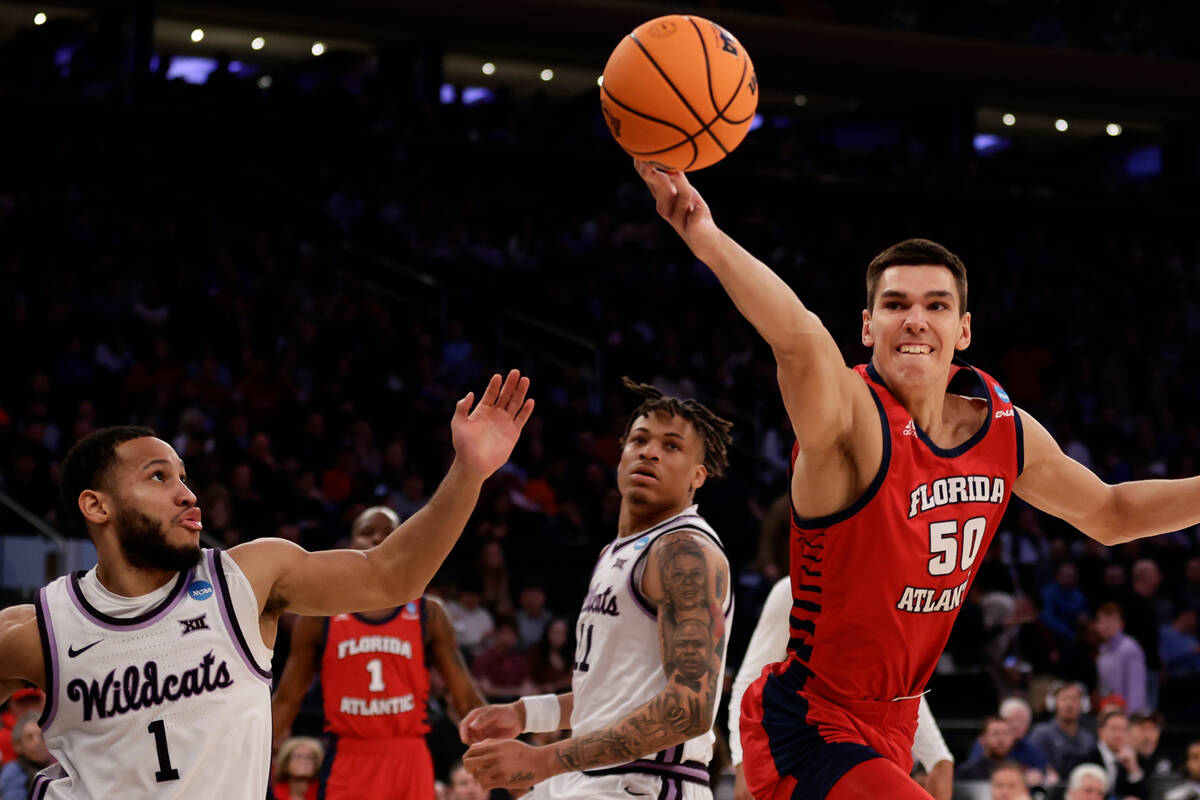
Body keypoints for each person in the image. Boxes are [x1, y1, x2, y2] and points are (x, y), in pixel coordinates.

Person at [634, 162, 1200, 800]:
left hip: (896, 723)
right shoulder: (850, 419)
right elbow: (798, 338)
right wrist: (706, 236)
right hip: (807, 722)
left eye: (937, 305)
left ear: (963, 329)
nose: (916, 319)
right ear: (868, 325)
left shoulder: (1003, 429)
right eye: (896, 304)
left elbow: (1112, 515)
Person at [0, 370, 533, 799]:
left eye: (184, 476)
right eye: (159, 477)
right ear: (97, 506)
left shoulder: (247, 580)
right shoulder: (36, 629)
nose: (187, 494)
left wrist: (469, 471)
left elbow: (393, 575)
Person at [458, 378, 735, 799]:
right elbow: (613, 692)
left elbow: (689, 710)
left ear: (699, 476)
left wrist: (542, 759)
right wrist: (526, 713)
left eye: (672, 446)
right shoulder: (616, 551)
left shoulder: (684, 552)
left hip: (646, 781)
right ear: (621, 455)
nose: (650, 451)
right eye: (639, 439)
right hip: (591, 774)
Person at [271, 505, 487, 799]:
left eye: (389, 533)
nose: (377, 539)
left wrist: (501, 753)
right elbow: (286, 700)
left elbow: (464, 698)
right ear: (351, 544)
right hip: (348, 756)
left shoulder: (430, 612)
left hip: (409, 756)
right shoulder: (319, 615)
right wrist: (248, 758)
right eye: (367, 532)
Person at [727, 576, 955, 800]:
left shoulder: (890, 587)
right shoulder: (796, 588)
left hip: (878, 740)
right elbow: (749, 679)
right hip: (819, 741)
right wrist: (741, 760)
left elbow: (896, 684)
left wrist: (938, 758)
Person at [1068, 709, 1147, 800]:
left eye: (1124, 730)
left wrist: (1133, 770)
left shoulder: (1133, 760)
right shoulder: (1083, 758)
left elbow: (1143, 797)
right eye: (1114, 729)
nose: (1119, 735)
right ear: (1101, 732)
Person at [965, 697, 1048, 784]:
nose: (1017, 725)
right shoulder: (970, 768)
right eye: (1012, 720)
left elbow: (1043, 772)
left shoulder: (1030, 748)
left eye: (1023, 721)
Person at [1029, 682, 1097, 783]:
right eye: (1064, 699)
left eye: (1074, 699)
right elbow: (1033, 762)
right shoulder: (1041, 734)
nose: (1069, 704)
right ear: (1053, 703)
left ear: (1083, 704)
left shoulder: (1089, 739)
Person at [1095, 603, 1149, 715]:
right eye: (1102, 621)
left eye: (1111, 621)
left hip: (1126, 716)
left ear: (1121, 624)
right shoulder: (1102, 651)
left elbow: (1136, 688)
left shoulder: (1130, 648)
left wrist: (1133, 718)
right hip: (1108, 714)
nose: (1106, 626)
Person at [0, 712, 53, 800]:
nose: (37, 742)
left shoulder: (55, 768)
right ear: (18, 745)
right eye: (29, 737)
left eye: (42, 736)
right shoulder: (13, 771)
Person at [956, 717, 1016, 781]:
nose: (1001, 739)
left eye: (1005, 733)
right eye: (995, 734)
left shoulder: (1017, 771)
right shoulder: (966, 772)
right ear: (982, 739)